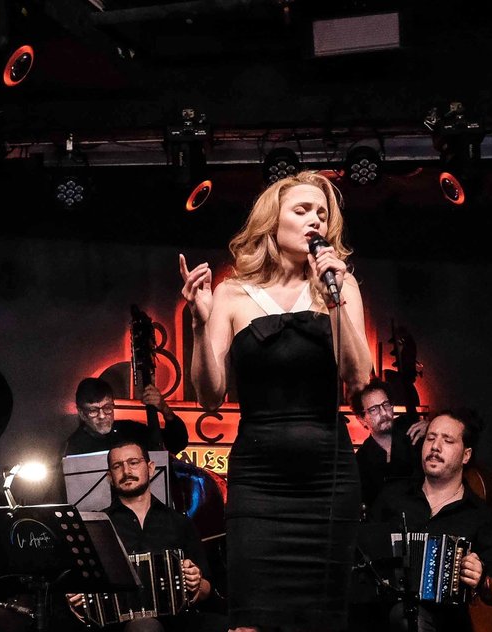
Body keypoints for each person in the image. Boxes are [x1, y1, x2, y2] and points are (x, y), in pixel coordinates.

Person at [179, 171, 370, 631]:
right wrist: (202, 324)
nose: (314, 220)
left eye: (321, 213)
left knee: (321, 621)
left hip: (328, 477)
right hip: (260, 483)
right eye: (301, 210)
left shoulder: (341, 286)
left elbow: (359, 376)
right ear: (272, 221)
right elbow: (208, 397)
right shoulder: (230, 293)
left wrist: (336, 296)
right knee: (251, 620)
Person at [360, 412, 492, 632]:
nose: (435, 447)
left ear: (466, 455)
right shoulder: (392, 497)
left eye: (447, 440)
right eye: (430, 438)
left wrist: (482, 579)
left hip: (447, 624)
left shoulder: (480, 514)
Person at [65, 441, 217, 632]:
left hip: (176, 623)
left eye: (133, 462)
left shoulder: (180, 523)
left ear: (151, 468)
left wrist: (197, 582)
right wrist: (76, 596)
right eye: (117, 466)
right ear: (110, 477)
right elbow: (77, 587)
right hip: (115, 626)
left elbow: (207, 590)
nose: (126, 471)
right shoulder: (97, 527)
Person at [63, 377, 190, 457]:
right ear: (81, 413)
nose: (102, 416)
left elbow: (177, 443)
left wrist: (164, 408)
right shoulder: (73, 447)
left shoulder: (130, 430)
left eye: (107, 408)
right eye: (93, 411)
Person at [352, 380, 422, 510]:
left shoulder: (411, 428)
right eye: (374, 410)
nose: (384, 413)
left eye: (386, 404)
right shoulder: (361, 459)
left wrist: (433, 429)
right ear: (361, 419)